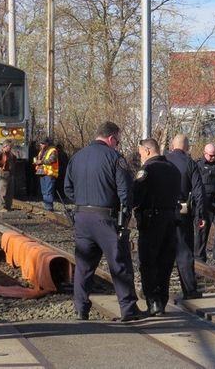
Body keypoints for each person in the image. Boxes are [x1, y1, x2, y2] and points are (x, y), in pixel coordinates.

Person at [64, 121, 147, 321]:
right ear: (111, 138)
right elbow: (125, 192)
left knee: (84, 266)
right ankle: (128, 308)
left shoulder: (77, 157)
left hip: (82, 217)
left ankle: (81, 308)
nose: (117, 145)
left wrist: (84, 202)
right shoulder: (115, 158)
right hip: (106, 218)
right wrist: (125, 216)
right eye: (117, 141)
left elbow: (67, 189)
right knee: (119, 263)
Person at [132, 138, 181, 315]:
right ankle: (162, 300)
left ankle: (153, 302)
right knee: (165, 262)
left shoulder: (147, 170)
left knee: (148, 262)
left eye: (140, 154)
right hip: (171, 220)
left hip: (151, 220)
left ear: (147, 151)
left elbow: (136, 196)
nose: (140, 158)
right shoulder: (173, 169)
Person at [165, 134, 206, 300]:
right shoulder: (190, 164)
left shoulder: (162, 161)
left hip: (162, 212)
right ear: (187, 147)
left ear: (172, 145)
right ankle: (189, 290)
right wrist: (200, 215)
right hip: (182, 212)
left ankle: (159, 292)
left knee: (163, 251)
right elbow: (198, 192)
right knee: (184, 252)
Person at [34, 137, 59, 211]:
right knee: (44, 192)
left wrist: (41, 162)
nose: (41, 145)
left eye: (43, 143)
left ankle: (49, 208)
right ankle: (46, 207)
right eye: (41, 143)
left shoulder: (53, 150)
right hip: (42, 173)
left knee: (48, 192)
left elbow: (52, 159)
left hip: (49, 174)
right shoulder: (41, 151)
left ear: (47, 143)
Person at [0, 139, 17, 212]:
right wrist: (0, 164)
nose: (10, 147)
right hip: (3, 174)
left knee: (10, 191)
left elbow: (14, 160)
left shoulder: (10, 153)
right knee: (3, 191)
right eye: (9, 146)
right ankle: (1, 207)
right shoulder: (1, 152)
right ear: (5, 146)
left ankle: (8, 206)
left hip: (10, 174)